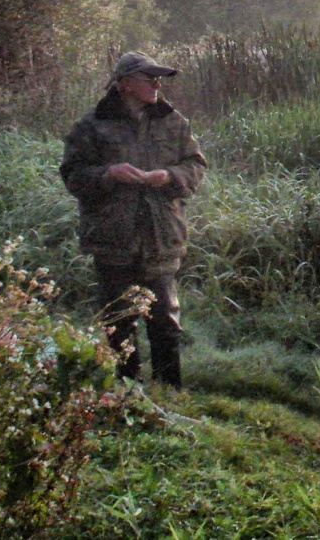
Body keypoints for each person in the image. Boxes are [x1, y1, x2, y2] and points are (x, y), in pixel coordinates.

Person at [60, 52, 207, 388]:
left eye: (159, 78)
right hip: (113, 238)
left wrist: (168, 176)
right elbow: (72, 175)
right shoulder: (92, 125)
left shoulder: (174, 122)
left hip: (161, 236)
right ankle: (128, 394)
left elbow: (196, 166)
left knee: (165, 322)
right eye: (148, 78)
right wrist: (108, 174)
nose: (157, 84)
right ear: (124, 84)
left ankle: (170, 392)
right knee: (118, 321)